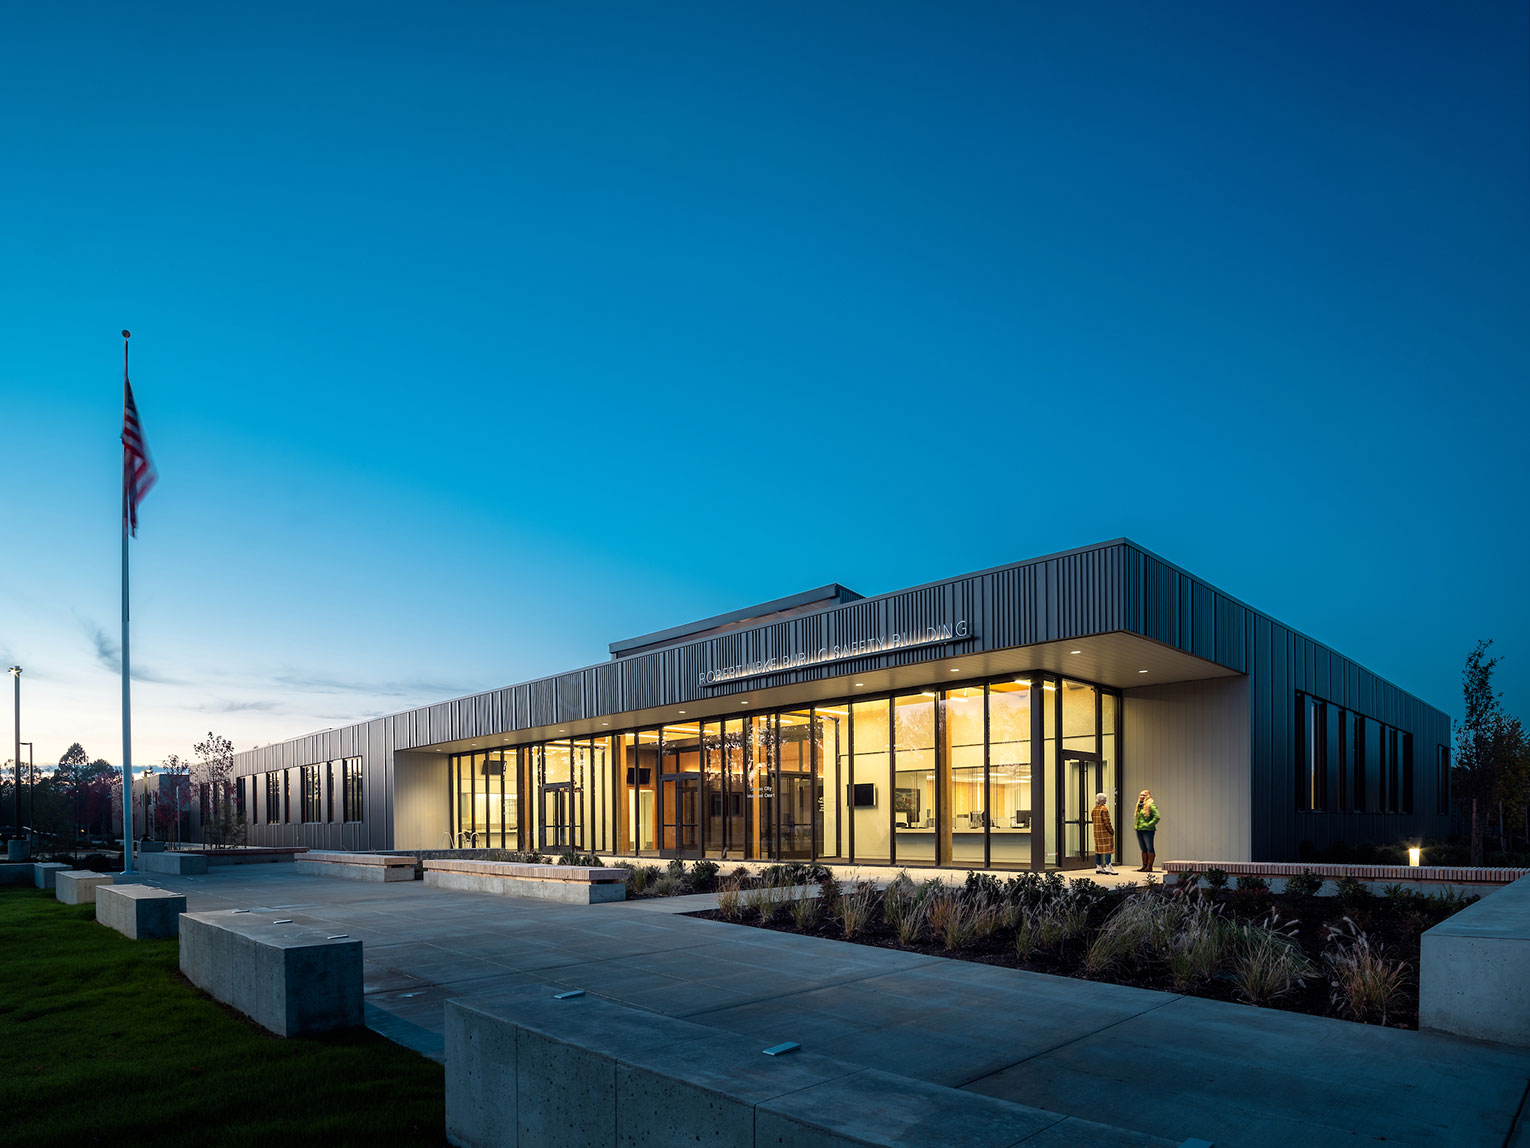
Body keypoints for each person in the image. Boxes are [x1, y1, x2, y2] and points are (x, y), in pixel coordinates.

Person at [1134, 789, 1160, 873]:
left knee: (1150, 848)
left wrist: (1149, 824)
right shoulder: (1139, 806)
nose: (1142, 797)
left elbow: (1157, 817)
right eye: (1141, 795)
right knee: (1143, 848)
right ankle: (1144, 866)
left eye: (1144, 795)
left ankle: (1149, 866)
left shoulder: (1150, 805)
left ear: (1148, 796)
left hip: (1148, 830)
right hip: (1139, 829)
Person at [1090, 792, 1116, 874]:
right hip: (1105, 832)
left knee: (1098, 849)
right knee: (1107, 849)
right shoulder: (1104, 809)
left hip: (1097, 832)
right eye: (1105, 799)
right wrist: (1111, 830)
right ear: (1102, 800)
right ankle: (1108, 866)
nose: (1106, 801)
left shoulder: (1094, 809)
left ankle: (1099, 866)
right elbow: (1107, 822)